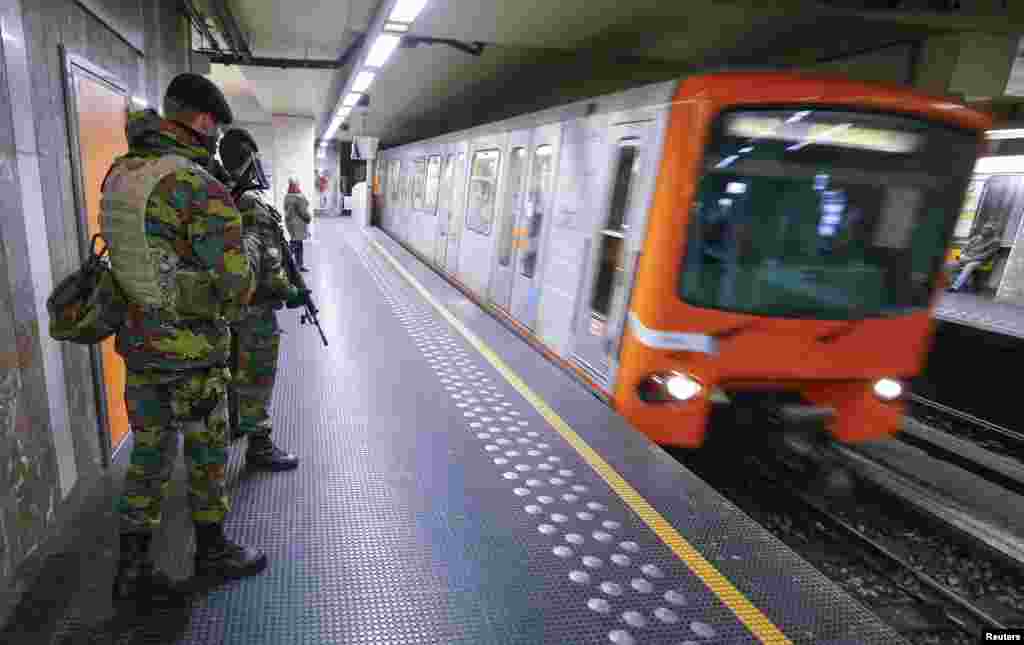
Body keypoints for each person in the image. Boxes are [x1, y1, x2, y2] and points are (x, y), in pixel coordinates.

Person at [104, 73, 267, 604]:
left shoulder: (121, 172)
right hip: (192, 352)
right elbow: (238, 285)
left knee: (148, 452)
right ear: (202, 122)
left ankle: (132, 570)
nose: (215, 138)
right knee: (206, 452)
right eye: (215, 128)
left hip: (140, 342)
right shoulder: (198, 185)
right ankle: (212, 551)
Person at [219, 128, 302, 471]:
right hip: (254, 309)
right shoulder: (251, 204)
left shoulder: (218, 194)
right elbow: (270, 262)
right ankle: (260, 445)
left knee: (232, 369)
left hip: (225, 309)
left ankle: (238, 423)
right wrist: (291, 292)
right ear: (250, 161)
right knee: (256, 374)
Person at [948, 221, 1000, 292]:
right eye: (984, 228)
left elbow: (986, 255)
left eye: (987, 229)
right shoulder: (976, 238)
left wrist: (970, 259)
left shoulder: (995, 241)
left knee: (969, 266)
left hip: (978, 261)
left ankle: (954, 287)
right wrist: (962, 254)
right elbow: (965, 247)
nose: (984, 230)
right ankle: (947, 283)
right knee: (951, 264)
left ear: (992, 231)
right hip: (966, 257)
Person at [284, 178, 312, 272]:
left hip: (290, 223)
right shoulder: (298, 197)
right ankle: (284, 262)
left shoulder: (287, 196)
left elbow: (285, 208)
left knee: (298, 244)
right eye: (297, 184)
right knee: (295, 244)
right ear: (296, 185)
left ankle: (299, 265)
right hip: (298, 224)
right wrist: (308, 219)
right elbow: (303, 212)